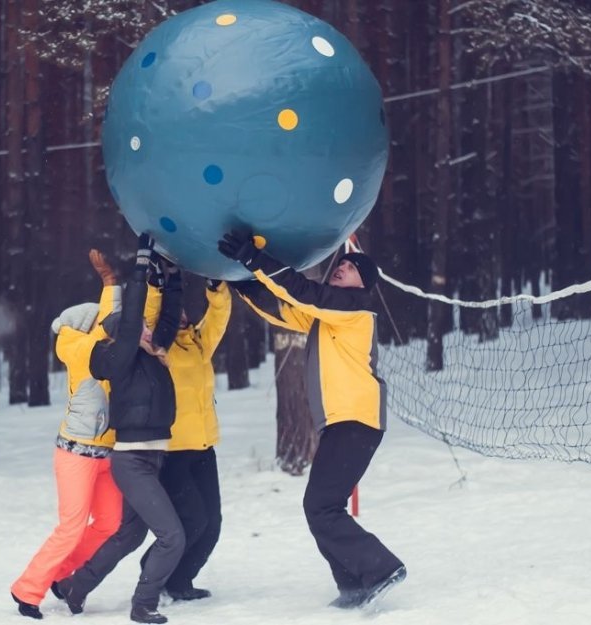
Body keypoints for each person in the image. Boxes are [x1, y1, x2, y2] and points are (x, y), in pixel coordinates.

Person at [217, 233, 406, 611]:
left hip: (356, 421)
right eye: (340, 264)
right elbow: (282, 307)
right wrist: (240, 282)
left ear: (363, 285)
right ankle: (353, 584)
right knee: (321, 505)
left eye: (350, 268)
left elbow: (302, 292)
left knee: (320, 506)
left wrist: (255, 260)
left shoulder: (354, 310)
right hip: (343, 424)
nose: (341, 268)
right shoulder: (330, 317)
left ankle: (381, 568)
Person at [54, 235, 185, 625]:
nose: (147, 330)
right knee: (172, 537)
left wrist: (173, 274)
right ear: (118, 334)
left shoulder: (151, 352)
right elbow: (130, 326)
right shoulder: (118, 357)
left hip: (153, 455)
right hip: (132, 460)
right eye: (137, 327)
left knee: (130, 534)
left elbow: (167, 316)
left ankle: (76, 587)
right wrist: (140, 266)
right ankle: (143, 604)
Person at [9, 250, 124, 619]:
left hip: (107, 452)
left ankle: (61, 576)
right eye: (97, 323)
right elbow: (106, 327)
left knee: (110, 524)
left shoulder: (99, 346)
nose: (103, 327)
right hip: (75, 454)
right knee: (71, 527)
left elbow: (108, 322)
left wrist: (111, 285)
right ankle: (27, 590)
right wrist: (112, 293)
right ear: (84, 327)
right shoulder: (75, 346)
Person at [138, 275, 231, 601]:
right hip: (172, 450)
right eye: (171, 311)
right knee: (192, 520)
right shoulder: (157, 347)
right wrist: (155, 286)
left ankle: (179, 582)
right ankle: (152, 569)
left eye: (180, 311)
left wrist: (216, 287)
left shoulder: (199, 341)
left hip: (204, 446)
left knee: (212, 525)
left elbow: (218, 317)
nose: (179, 316)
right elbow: (148, 315)